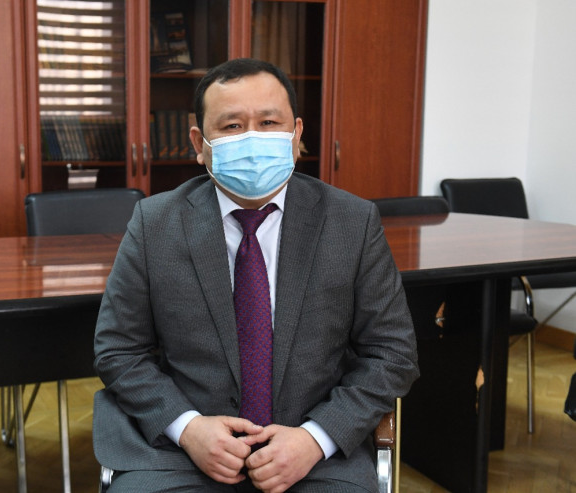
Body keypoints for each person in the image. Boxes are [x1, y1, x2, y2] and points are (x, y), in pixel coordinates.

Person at [93, 58, 419, 493]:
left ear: (296, 135)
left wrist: (315, 438)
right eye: (231, 126)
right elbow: (118, 349)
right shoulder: (154, 223)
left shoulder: (352, 222)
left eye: (268, 122)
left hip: (315, 455)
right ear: (200, 143)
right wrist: (187, 429)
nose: (252, 139)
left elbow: (392, 353)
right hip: (181, 456)